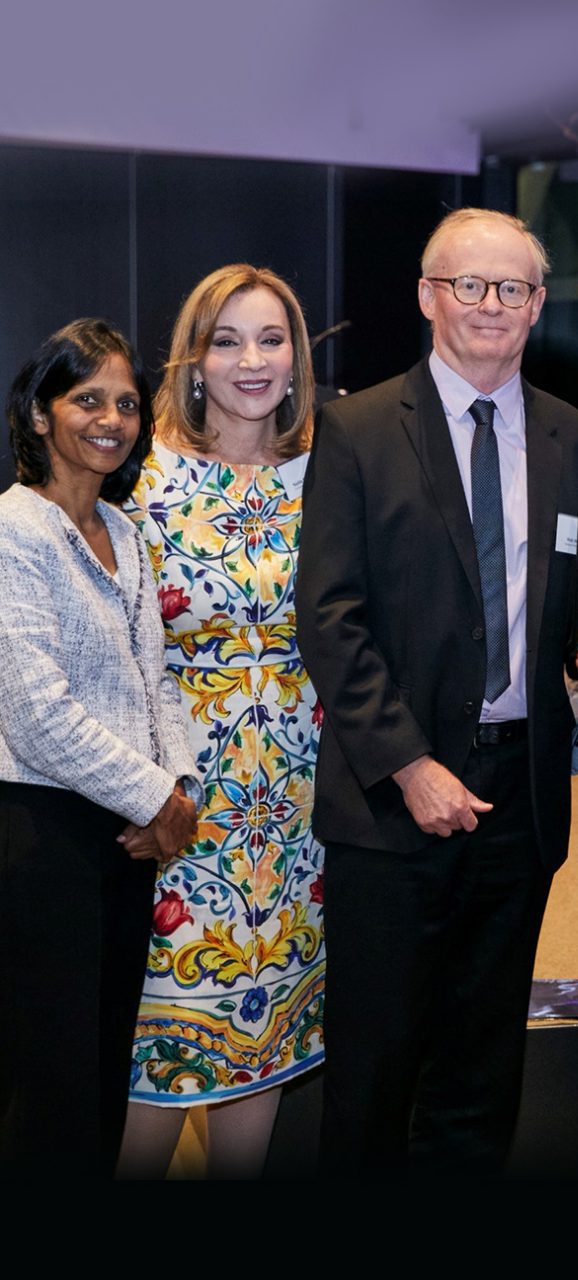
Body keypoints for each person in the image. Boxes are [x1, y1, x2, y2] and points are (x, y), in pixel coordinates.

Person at [296, 208, 578, 1176]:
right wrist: (408, 762)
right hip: (391, 805)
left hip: (518, 795)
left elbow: (577, 607)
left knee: (482, 1068)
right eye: (467, 285)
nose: (489, 305)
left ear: (534, 306)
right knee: (375, 1068)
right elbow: (331, 615)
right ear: (429, 295)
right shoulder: (353, 429)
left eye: (511, 287)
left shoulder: (577, 441)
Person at [113, 266, 323, 1180]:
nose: (251, 360)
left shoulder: (331, 472)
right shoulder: (138, 478)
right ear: (193, 358)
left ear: (297, 356)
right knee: (154, 1054)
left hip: (296, 810)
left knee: (262, 1039)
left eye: (271, 339)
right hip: (178, 807)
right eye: (228, 340)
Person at [0, 319, 199, 1176]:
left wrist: (177, 789)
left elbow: (155, 680)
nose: (111, 417)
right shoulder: (14, 528)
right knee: (49, 1094)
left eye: (125, 400)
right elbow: (37, 713)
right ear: (41, 415)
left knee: (99, 1086)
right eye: (87, 398)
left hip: (125, 840)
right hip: (43, 839)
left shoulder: (128, 530)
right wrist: (156, 801)